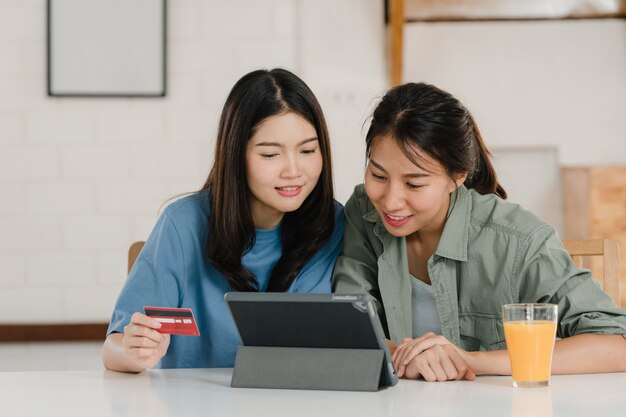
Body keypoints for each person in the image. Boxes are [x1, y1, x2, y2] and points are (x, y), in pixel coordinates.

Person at [332, 82, 626, 382]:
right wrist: (404, 356)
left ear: (457, 177)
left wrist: (469, 360)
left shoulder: (517, 239)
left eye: (414, 184)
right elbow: (345, 326)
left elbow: (616, 346)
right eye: (378, 175)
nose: (391, 201)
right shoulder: (364, 210)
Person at [103, 68, 344, 372]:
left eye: (308, 150)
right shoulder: (183, 225)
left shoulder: (335, 225)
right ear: (235, 154)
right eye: (271, 155)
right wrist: (132, 351)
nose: (294, 170)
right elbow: (113, 347)